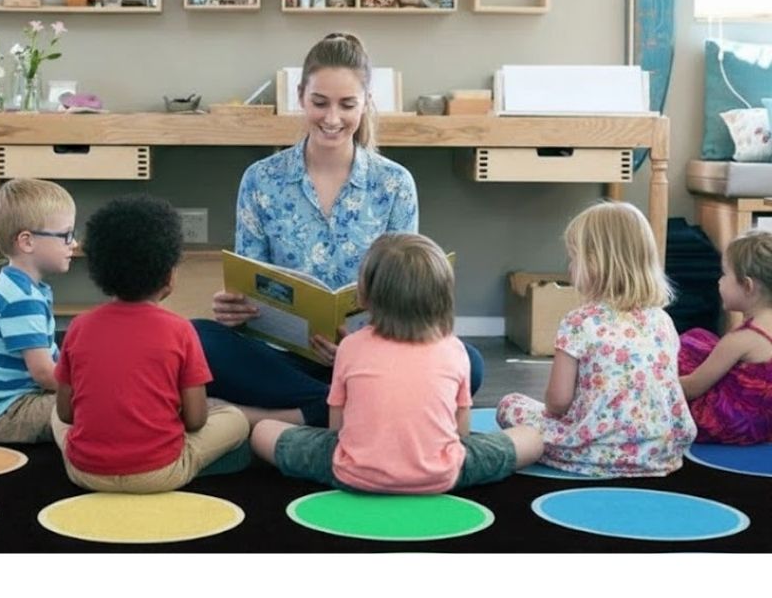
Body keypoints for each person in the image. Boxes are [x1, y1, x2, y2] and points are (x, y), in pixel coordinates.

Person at [194, 33, 484, 427]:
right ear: (301, 97)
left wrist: (358, 347)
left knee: (469, 363)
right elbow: (253, 283)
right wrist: (236, 311)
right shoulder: (261, 179)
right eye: (320, 103)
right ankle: (347, 408)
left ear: (366, 103)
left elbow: (404, 296)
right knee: (198, 340)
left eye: (347, 104)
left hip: (374, 357)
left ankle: (278, 417)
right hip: (282, 360)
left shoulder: (394, 183)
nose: (332, 119)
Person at [250, 233, 542, 493]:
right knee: (532, 438)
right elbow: (461, 433)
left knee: (263, 430)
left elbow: (336, 430)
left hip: (352, 472)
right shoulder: (455, 349)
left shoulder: (350, 346)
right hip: (442, 474)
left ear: (364, 295)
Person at [51, 195, 249, 493]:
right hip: (159, 473)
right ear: (169, 275)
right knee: (235, 419)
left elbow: (66, 413)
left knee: (53, 417)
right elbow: (195, 420)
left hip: (85, 472)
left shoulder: (78, 326)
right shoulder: (181, 330)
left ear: (99, 270)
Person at [497, 201, 696, 477]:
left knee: (509, 405)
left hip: (594, 452)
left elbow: (558, 402)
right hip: (659, 452)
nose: (570, 267)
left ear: (595, 262)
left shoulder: (580, 321)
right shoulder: (663, 320)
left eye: (574, 257)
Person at [0, 178, 76, 443]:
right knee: (93, 405)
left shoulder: (21, 286)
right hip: (8, 413)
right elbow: (44, 374)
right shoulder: (21, 298)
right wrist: (86, 388)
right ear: (27, 242)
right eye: (66, 235)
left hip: (12, 403)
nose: (73, 243)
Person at [678, 230, 772, 444]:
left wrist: (651, 382)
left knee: (688, 343)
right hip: (766, 424)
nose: (719, 281)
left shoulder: (742, 338)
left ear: (747, 285)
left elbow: (691, 388)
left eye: (725, 274)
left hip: (732, 425)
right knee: (701, 338)